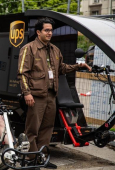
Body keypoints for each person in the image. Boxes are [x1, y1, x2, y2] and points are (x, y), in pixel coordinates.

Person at [17, 17, 91, 170]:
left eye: (51, 30)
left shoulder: (55, 50)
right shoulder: (29, 49)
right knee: (33, 129)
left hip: (51, 96)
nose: (50, 33)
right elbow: (22, 73)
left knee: (47, 128)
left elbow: (61, 68)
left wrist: (78, 66)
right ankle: (31, 160)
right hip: (35, 96)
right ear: (38, 32)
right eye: (46, 30)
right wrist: (27, 93)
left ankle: (41, 157)